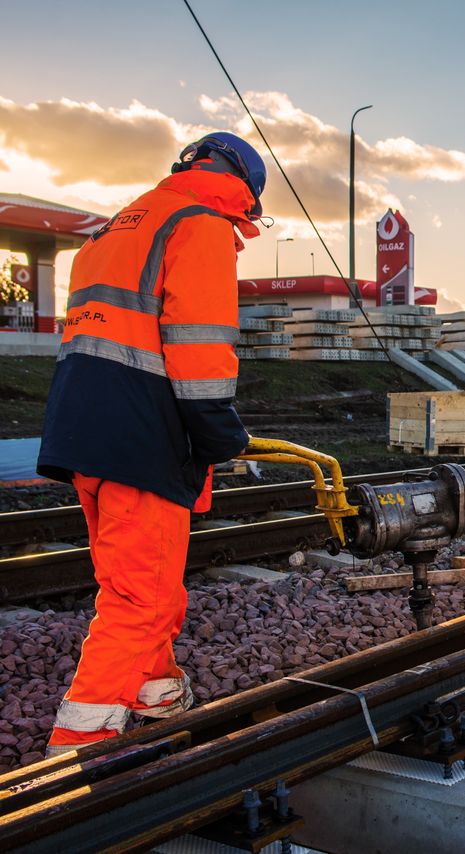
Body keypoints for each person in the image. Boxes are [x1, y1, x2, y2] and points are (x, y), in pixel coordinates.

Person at [37, 132, 265, 756]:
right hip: (143, 428)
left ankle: (155, 691)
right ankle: (74, 751)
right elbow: (196, 341)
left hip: (84, 424)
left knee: (142, 581)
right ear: (243, 190)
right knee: (139, 598)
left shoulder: (118, 227)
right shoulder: (202, 224)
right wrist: (220, 431)